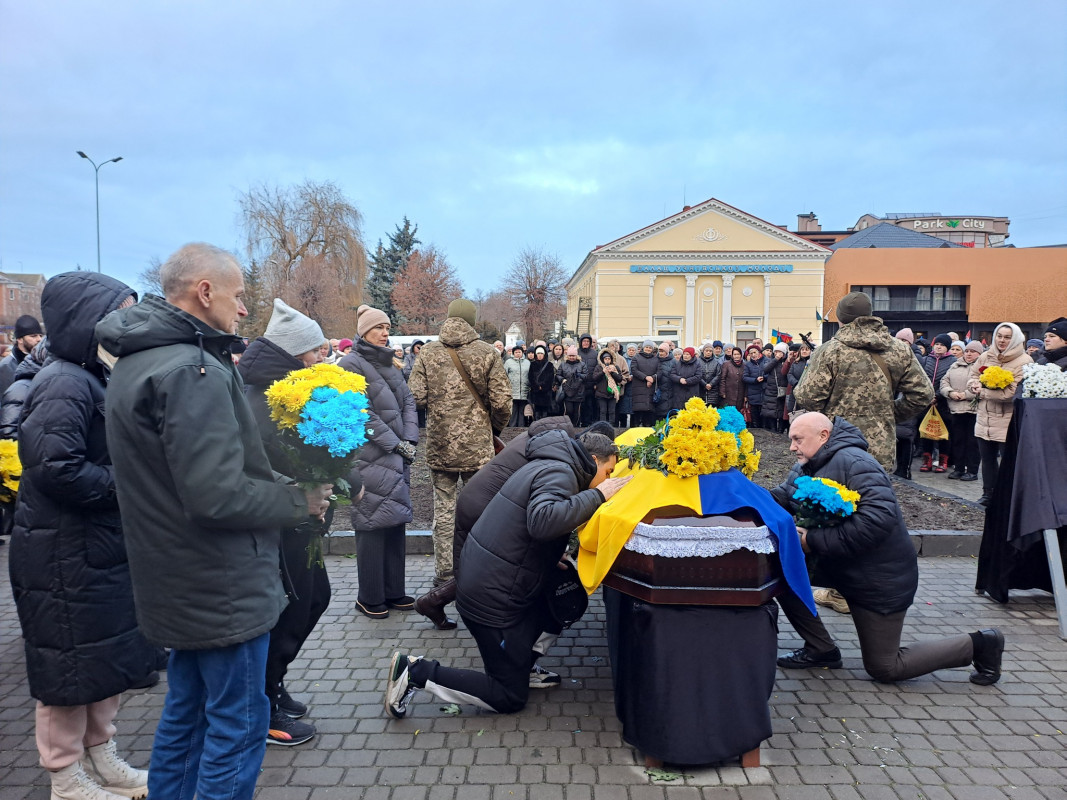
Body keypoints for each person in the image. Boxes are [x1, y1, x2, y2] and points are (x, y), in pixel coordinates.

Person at [99, 243, 333, 799]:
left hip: (177, 577)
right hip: (219, 583)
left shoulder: (143, 359)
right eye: (238, 295)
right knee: (238, 723)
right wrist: (298, 502)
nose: (245, 309)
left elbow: (202, 474)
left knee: (188, 716)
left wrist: (284, 486)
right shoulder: (192, 368)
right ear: (205, 292)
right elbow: (217, 496)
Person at [10, 273, 155, 799]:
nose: (128, 324)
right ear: (87, 321)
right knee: (67, 670)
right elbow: (56, 467)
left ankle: (102, 757)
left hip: (91, 546)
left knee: (98, 661)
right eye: (120, 312)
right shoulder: (64, 381)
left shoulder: (91, 375)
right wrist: (131, 484)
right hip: (61, 552)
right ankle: (65, 777)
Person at [385, 432, 632, 717]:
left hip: (493, 583)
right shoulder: (561, 472)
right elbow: (543, 521)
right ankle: (414, 672)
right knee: (509, 696)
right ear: (593, 460)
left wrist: (549, 554)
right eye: (608, 472)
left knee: (563, 603)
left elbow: (530, 523)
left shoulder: (554, 463)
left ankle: (523, 666)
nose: (608, 480)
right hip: (491, 600)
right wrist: (599, 495)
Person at [772, 413, 1005, 685]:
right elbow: (781, 497)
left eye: (797, 439)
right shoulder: (807, 464)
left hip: (878, 579)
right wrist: (737, 491)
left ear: (823, 436)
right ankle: (820, 649)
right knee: (781, 570)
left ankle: (982, 644)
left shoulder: (856, 463)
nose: (792, 447)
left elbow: (876, 522)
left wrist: (811, 540)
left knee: (885, 667)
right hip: (840, 567)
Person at [237, 299, 337, 747]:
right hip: (282, 520)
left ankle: (272, 683)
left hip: (299, 517)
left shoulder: (284, 388)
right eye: (314, 351)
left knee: (314, 598)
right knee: (292, 607)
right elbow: (265, 461)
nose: (320, 358)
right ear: (293, 353)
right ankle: (263, 702)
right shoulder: (263, 397)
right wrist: (306, 487)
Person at [408, 298, 511, 600]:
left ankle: (444, 575)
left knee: (444, 510)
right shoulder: (487, 353)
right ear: (472, 321)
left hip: (440, 446)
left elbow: (415, 397)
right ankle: (479, 573)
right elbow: (502, 402)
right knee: (482, 511)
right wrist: (492, 429)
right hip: (478, 449)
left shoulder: (428, 352)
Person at [340, 304, 420, 619]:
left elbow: (409, 401)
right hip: (370, 456)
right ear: (364, 332)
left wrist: (410, 439)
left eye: (387, 327)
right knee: (372, 521)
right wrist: (395, 443)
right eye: (378, 327)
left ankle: (393, 591)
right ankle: (369, 596)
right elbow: (360, 412)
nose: (385, 333)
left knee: (394, 519)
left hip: (397, 454)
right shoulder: (350, 363)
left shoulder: (390, 363)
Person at [793, 292, 933, 471]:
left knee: (832, 488)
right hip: (879, 445)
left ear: (840, 318)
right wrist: (889, 413)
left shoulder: (828, 351)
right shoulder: (900, 350)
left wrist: (831, 416)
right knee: (873, 487)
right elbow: (923, 394)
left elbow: (807, 397)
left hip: (835, 442)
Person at [967, 322, 1032, 506]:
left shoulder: (1024, 361)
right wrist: (974, 385)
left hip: (1007, 420)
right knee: (987, 460)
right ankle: (988, 494)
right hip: (984, 418)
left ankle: (1009, 497)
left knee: (1008, 462)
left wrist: (983, 392)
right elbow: (973, 375)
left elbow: (1012, 393)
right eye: (999, 336)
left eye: (1007, 337)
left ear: (1016, 339)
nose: (1002, 340)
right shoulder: (986, 355)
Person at [940, 340, 983, 482]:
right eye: (967, 351)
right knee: (958, 441)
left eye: (973, 351)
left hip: (973, 410)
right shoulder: (955, 365)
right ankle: (958, 468)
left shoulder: (982, 367)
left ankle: (972, 470)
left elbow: (983, 386)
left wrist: (966, 395)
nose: (969, 354)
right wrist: (950, 393)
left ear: (979, 353)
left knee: (972, 443)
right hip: (956, 409)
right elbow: (944, 382)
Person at [919, 334, 956, 474]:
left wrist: (938, 396)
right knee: (926, 431)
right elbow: (921, 378)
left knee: (943, 433)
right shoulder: (926, 359)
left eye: (942, 345)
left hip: (944, 403)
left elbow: (951, 381)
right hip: (926, 402)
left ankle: (943, 461)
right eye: (937, 344)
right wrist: (928, 395)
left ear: (947, 347)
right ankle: (926, 460)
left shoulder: (953, 361)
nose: (939, 347)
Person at [0, 313, 44, 397]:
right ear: (20, 339)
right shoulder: (5, 367)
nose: (39, 339)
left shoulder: (45, 361)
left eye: (40, 335)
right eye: (33, 336)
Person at [761, 342, 792, 434]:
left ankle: (781, 429)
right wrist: (775, 360)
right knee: (771, 411)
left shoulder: (786, 361)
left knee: (782, 410)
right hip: (771, 390)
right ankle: (773, 429)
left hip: (783, 389)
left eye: (780, 352)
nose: (777, 354)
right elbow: (765, 369)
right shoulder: (771, 361)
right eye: (776, 352)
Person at [628, 340, 659, 427]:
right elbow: (634, 370)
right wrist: (646, 377)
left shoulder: (656, 359)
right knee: (638, 412)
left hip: (650, 388)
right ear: (643, 348)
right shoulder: (636, 358)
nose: (648, 349)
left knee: (648, 412)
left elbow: (659, 372)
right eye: (646, 347)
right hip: (638, 388)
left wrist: (652, 378)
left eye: (650, 348)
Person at [555, 345, 587, 427]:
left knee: (577, 411)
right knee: (569, 410)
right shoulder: (563, 364)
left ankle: (575, 426)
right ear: (567, 356)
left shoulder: (582, 364)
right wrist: (562, 379)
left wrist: (579, 375)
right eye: (570, 355)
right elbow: (558, 375)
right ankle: (567, 426)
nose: (572, 357)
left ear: (576, 356)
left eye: (573, 355)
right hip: (567, 390)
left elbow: (586, 376)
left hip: (578, 391)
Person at [591, 348, 623, 423]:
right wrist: (603, 372)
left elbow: (620, 379)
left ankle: (611, 425)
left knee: (612, 411)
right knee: (603, 411)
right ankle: (603, 425)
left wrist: (612, 372)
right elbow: (594, 378)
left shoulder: (615, 367)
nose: (607, 360)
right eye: (605, 359)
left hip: (612, 393)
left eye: (609, 359)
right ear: (602, 359)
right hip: (601, 393)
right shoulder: (598, 367)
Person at [504, 344, 531, 427]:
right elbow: (504, 375)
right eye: (516, 352)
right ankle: (512, 427)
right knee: (513, 410)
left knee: (522, 410)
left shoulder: (527, 362)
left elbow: (530, 375)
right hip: (513, 390)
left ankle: (521, 427)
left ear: (522, 353)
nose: (518, 354)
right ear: (513, 353)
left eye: (519, 352)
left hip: (524, 390)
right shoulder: (508, 362)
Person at [528, 345, 556, 421]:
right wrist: (536, 387)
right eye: (538, 353)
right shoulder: (532, 364)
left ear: (544, 354)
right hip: (536, 392)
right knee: (536, 410)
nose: (540, 355)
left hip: (546, 392)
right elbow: (530, 377)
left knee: (545, 411)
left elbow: (550, 378)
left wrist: (543, 387)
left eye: (541, 353)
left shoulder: (549, 365)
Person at [742, 344, 767, 427]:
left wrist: (764, 378)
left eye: (754, 352)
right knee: (755, 417)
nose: (753, 355)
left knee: (764, 417)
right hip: (753, 393)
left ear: (759, 352)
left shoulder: (766, 361)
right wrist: (755, 380)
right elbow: (745, 377)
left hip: (764, 392)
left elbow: (770, 374)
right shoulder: (748, 365)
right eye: (751, 353)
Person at [577, 334, 598, 425]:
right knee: (580, 405)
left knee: (589, 405)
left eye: (587, 341)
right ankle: (578, 423)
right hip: (578, 384)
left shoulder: (595, 353)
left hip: (591, 385)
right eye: (584, 341)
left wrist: (596, 383)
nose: (586, 343)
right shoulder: (577, 352)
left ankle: (588, 423)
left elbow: (597, 368)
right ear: (580, 342)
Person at [720, 347, 746, 412]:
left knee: (738, 412)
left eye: (738, 354)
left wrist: (746, 395)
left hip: (740, 394)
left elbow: (746, 381)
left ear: (741, 355)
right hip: (729, 393)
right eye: (735, 354)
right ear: (732, 355)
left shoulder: (745, 365)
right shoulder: (726, 364)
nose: (736, 356)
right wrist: (722, 392)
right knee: (729, 412)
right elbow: (722, 378)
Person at [654, 341, 676, 418]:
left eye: (662, 351)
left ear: (667, 352)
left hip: (670, 389)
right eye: (659, 351)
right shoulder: (655, 360)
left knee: (668, 411)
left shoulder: (673, 361)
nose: (661, 353)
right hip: (658, 389)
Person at [699, 343, 721, 407]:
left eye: (710, 351)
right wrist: (704, 384)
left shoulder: (716, 362)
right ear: (703, 351)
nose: (708, 352)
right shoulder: (698, 361)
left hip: (713, 391)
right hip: (701, 390)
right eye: (706, 351)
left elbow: (718, 375)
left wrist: (711, 384)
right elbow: (697, 374)